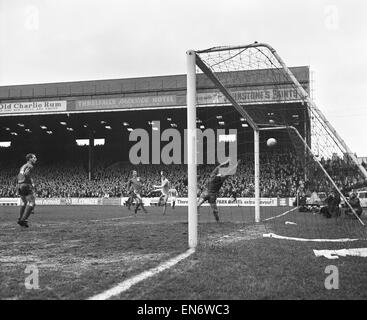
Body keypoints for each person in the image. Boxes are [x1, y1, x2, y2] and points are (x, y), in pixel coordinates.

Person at [16, 153, 37, 228]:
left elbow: (20, 175)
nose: (35, 159)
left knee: (24, 202)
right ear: (30, 159)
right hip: (25, 185)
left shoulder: (23, 166)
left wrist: (20, 183)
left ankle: (20, 218)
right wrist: (30, 182)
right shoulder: (30, 166)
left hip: (19, 185)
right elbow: (26, 174)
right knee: (32, 202)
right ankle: (23, 220)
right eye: (34, 158)